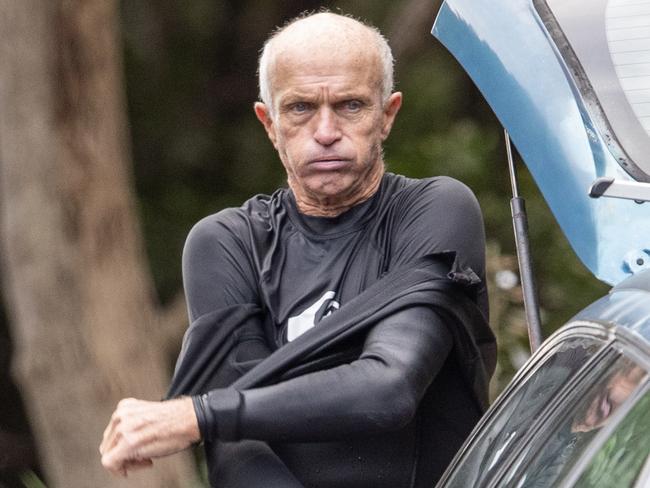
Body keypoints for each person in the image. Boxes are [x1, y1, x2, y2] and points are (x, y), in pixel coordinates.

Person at [100, 11, 496, 487]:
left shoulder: (433, 210)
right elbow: (238, 450)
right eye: (300, 108)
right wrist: (212, 416)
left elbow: (389, 387)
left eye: (350, 106)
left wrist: (197, 415)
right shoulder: (228, 243)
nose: (325, 131)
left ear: (387, 115)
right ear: (268, 122)